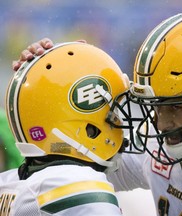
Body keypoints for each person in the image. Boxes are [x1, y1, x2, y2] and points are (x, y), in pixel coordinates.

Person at [13, 11, 182, 215]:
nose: (162, 122)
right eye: (156, 105)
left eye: (176, 107)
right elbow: (75, 166)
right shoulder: (162, 144)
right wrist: (52, 78)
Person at [4, 41, 130, 215]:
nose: (118, 122)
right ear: (87, 126)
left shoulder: (11, 181)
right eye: (113, 113)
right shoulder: (76, 185)